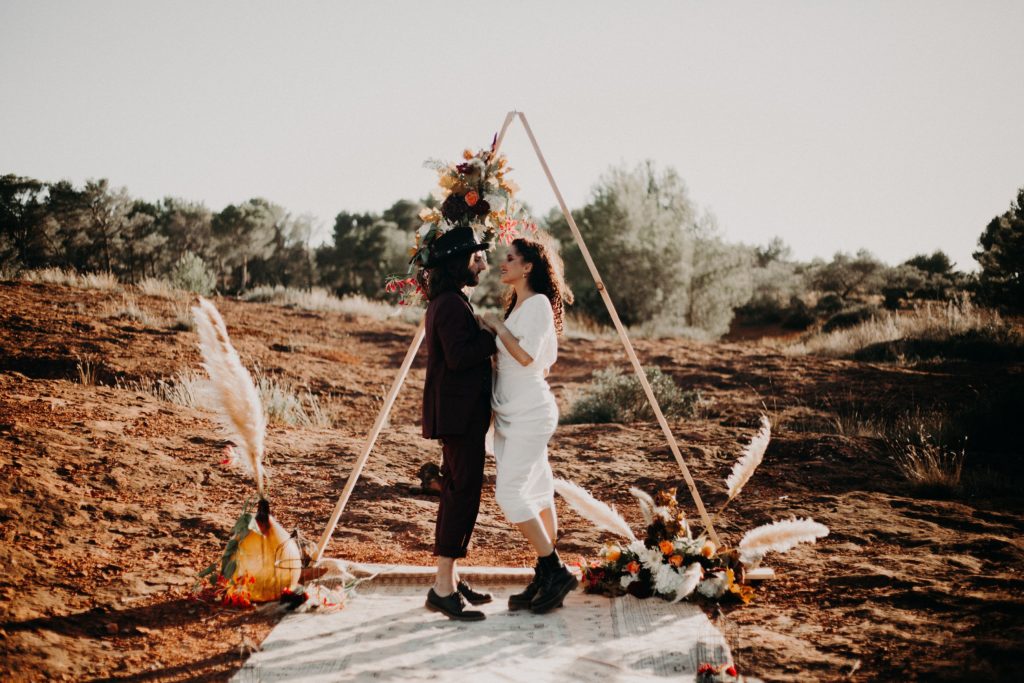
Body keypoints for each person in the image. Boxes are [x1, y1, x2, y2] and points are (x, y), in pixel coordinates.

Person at [479, 236, 577, 614]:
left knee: (510, 494)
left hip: (530, 414)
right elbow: (540, 361)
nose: (502, 264)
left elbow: (528, 358)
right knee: (537, 489)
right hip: (513, 412)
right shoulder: (521, 305)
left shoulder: (536, 304)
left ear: (529, 267)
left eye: (511, 259)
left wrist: (494, 329)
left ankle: (554, 568)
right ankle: (544, 573)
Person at [419, 226, 499, 621]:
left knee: (458, 492)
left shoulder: (451, 300)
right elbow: (459, 356)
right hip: (458, 416)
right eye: (476, 256)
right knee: (461, 496)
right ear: (457, 263)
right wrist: (491, 335)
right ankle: (442, 588)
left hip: (459, 415)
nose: (483, 262)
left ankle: (452, 577)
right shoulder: (450, 304)